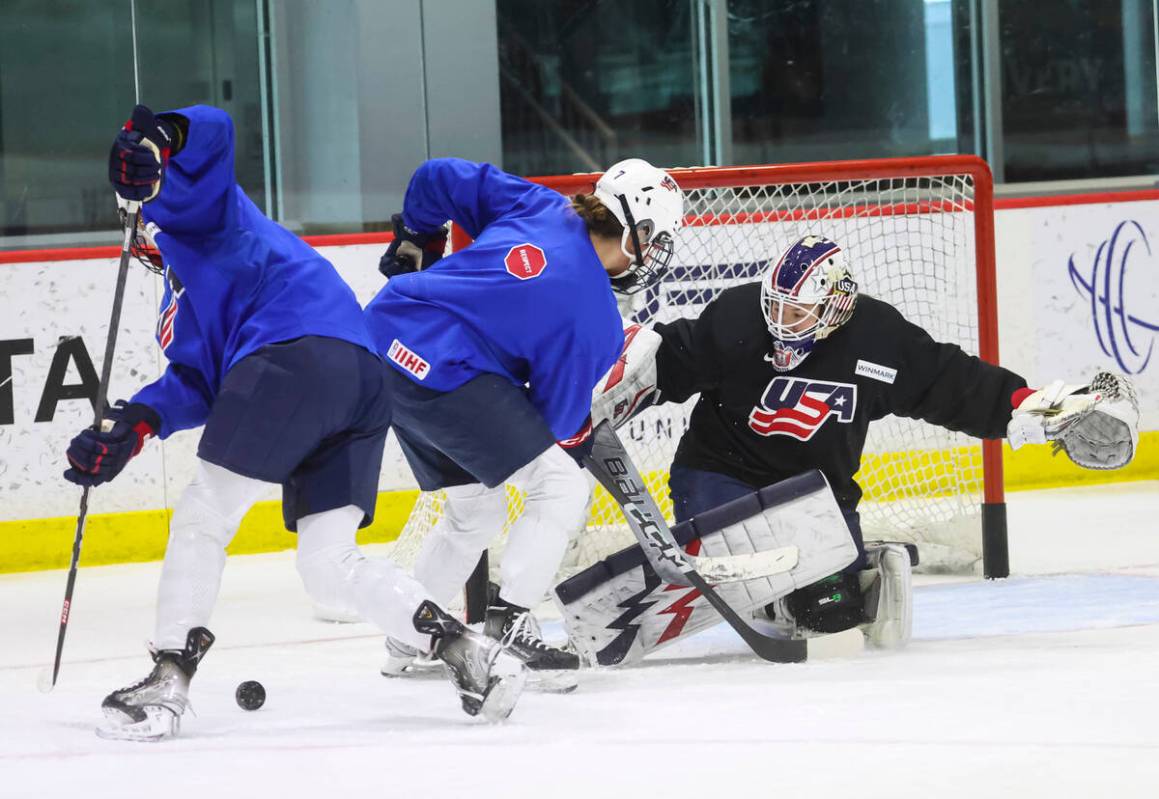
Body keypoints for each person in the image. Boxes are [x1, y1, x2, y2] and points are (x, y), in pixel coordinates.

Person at [63, 105, 525, 739]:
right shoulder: (189, 288)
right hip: (358, 380)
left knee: (205, 513)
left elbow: (215, 133)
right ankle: (465, 650)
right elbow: (199, 380)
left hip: (292, 361)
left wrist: (162, 137)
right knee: (327, 566)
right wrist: (135, 425)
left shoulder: (196, 217)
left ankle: (169, 675)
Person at [587, 233, 1139, 643]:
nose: (782, 321)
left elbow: (952, 382)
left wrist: (1026, 406)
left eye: (797, 311)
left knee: (829, 612)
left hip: (815, 495)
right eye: (775, 306)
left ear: (833, 304)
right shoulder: (738, 314)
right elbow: (674, 359)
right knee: (745, 563)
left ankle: (856, 564)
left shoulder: (879, 340)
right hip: (719, 473)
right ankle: (779, 584)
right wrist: (616, 383)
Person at [366, 157, 684, 687]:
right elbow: (555, 423)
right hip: (444, 375)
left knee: (475, 511)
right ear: (638, 231)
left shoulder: (537, 203)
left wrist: (418, 238)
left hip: (382, 342)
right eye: (657, 239)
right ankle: (508, 627)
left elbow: (435, 177)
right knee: (560, 486)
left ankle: (407, 636)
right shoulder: (595, 319)